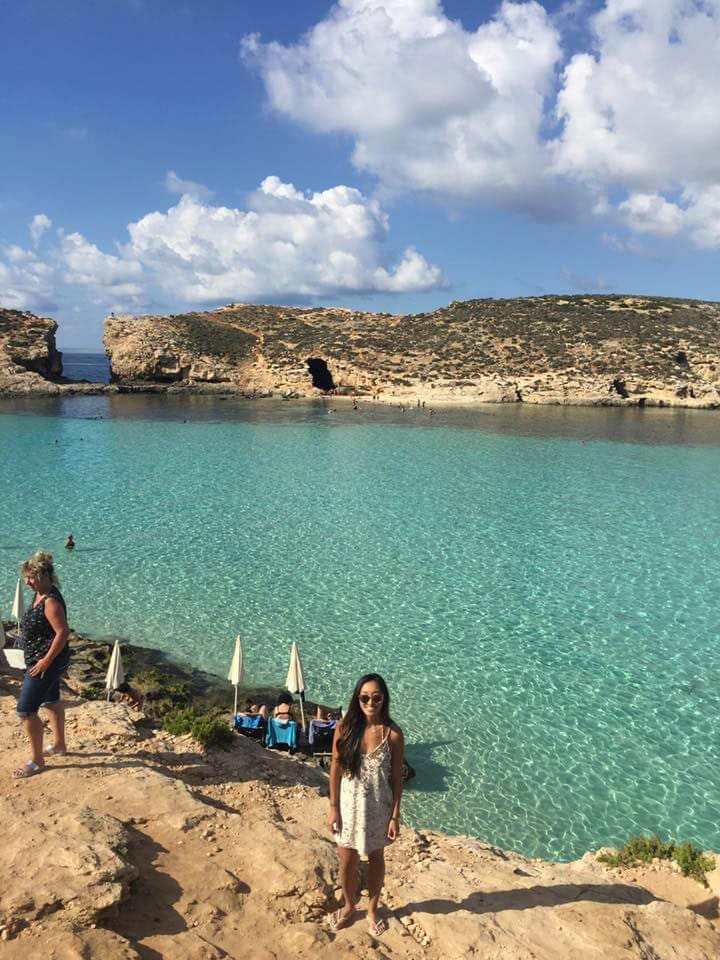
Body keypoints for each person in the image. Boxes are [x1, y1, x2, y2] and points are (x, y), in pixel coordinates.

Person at [326, 673, 404, 937]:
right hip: (347, 808)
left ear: (384, 699)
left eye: (377, 697)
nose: (371, 702)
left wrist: (394, 815)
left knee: (375, 859)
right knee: (346, 861)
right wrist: (333, 806)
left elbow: (396, 778)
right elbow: (335, 767)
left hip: (377, 809)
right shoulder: (344, 728)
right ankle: (349, 906)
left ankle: (372, 909)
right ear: (357, 699)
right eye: (365, 697)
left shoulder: (393, 734)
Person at [13, 551, 71, 778]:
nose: (28, 581)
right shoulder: (41, 593)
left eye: (32, 577)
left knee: (26, 711)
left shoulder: (50, 601)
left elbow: (63, 632)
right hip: (47, 660)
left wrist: (46, 660)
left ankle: (37, 760)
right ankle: (59, 746)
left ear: (45, 574)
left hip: (45, 663)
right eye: (26, 577)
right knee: (51, 701)